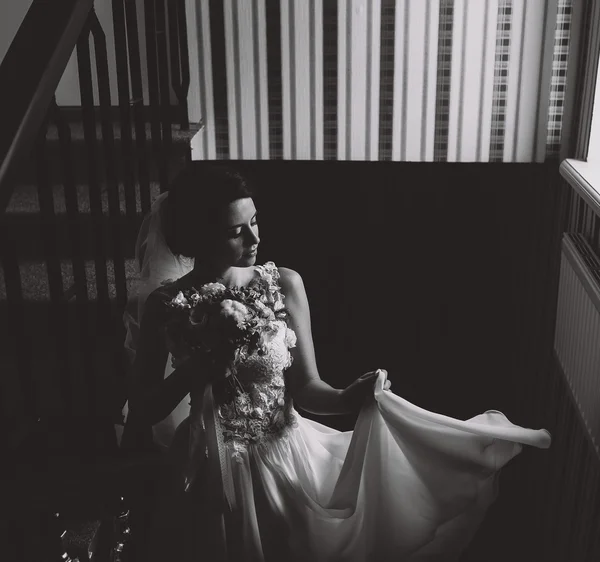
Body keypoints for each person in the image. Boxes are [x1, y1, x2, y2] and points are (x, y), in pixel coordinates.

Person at [121, 163, 551, 562]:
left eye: (254, 222)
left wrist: (351, 396)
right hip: (204, 467)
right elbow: (143, 410)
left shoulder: (284, 285)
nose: (254, 239)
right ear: (201, 235)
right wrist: (195, 372)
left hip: (286, 458)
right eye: (236, 231)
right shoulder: (168, 305)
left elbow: (308, 388)